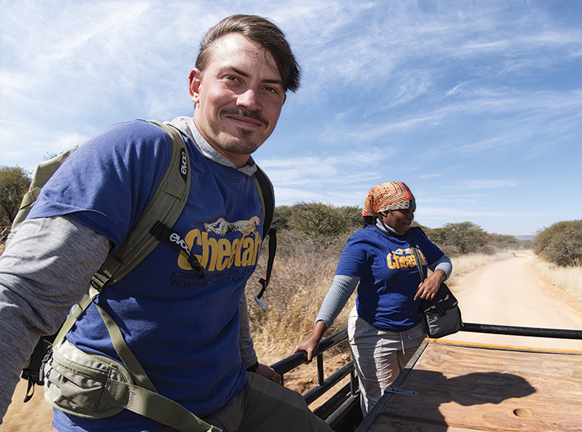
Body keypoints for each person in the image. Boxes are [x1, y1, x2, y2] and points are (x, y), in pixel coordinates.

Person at [0, 15, 332, 432]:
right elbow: (20, 296)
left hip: (230, 395)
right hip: (128, 414)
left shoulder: (256, 188)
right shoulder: (138, 153)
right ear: (196, 85)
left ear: (282, 102)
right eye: (233, 79)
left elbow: (228, 287)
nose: (250, 100)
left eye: (270, 89)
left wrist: (247, 364)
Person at [293, 182, 452, 416]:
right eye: (404, 210)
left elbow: (444, 261)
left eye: (413, 209)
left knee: (411, 391)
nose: (410, 215)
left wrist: (437, 276)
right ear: (384, 212)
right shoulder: (363, 241)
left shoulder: (416, 237)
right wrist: (316, 334)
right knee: (380, 402)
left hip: (413, 329)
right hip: (375, 333)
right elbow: (342, 287)